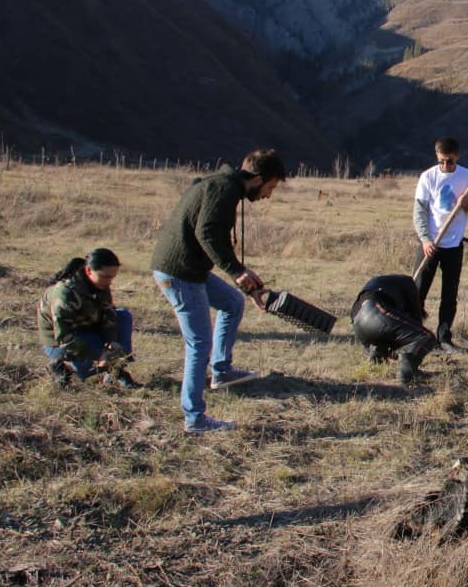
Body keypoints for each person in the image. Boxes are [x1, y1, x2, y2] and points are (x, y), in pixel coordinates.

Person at [151, 149, 286, 434]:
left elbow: (209, 235)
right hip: (179, 273)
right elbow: (208, 233)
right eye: (270, 187)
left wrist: (251, 288)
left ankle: (221, 371)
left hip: (191, 270)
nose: (268, 195)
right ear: (259, 179)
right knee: (199, 344)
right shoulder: (222, 189)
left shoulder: (223, 185)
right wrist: (237, 271)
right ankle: (195, 418)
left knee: (232, 303)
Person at [413, 137, 468, 351]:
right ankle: (414, 335)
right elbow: (419, 212)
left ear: (457, 157)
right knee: (418, 291)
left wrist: (467, 203)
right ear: (437, 156)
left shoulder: (467, 176)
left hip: (454, 244)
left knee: (449, 294)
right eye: (442, 161)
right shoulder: (427, 177)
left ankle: (444, 338)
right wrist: (425, 239)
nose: (445, 166)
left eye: (450, 161)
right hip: (430, 244)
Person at [38, 248, 139, 389]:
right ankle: (63, 368)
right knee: (94, 345)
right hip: (60, 342)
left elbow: (109, 313)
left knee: (123, 316)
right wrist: (99, 355)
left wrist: (112, 341)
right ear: (88, 271)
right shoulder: (64, 294)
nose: (109, 282)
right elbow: (64, 338)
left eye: (112, 277)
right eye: (105, 277)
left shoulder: (100, 284)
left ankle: (115, 370)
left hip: (87, 328)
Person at [349, 273, 438, 386]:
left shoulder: (387, 285)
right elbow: (416, 322)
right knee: (426, 337)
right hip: (375, 310)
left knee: (391, 330)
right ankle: (407, 371)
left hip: (358, 323)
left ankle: (378, 355)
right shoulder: (408, 282)